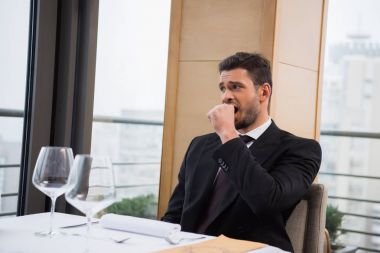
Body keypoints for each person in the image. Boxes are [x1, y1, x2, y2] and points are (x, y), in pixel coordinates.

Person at [161, 52, 322, 252]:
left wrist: (229, 135)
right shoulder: (200, 145)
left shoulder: (300, 149)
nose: (225, 96)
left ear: (263, 93)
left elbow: (268, 201)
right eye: (223, 88)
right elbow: (174, 217)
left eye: (235, 87)